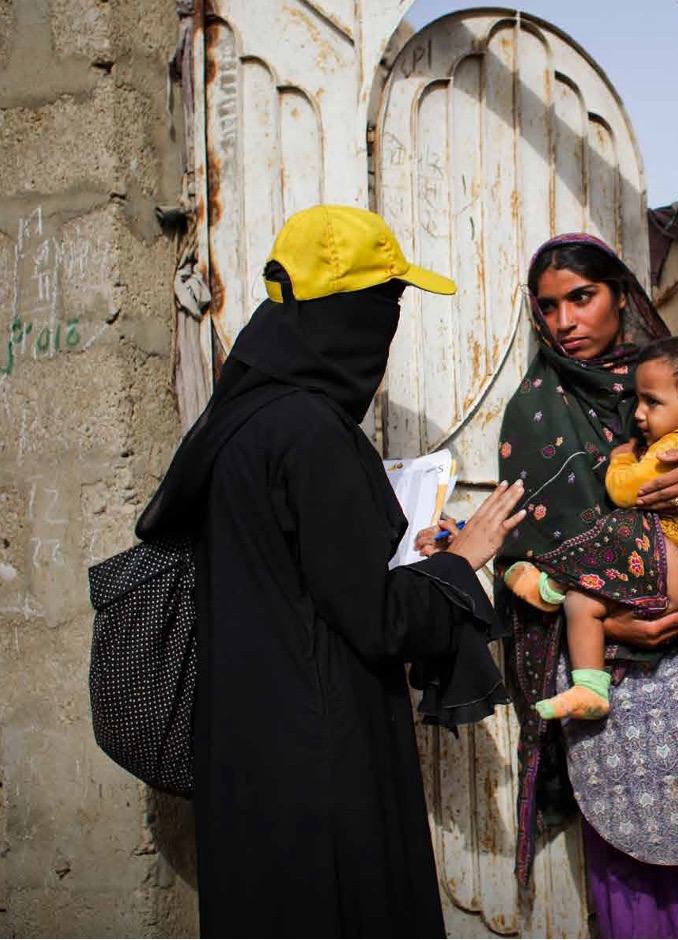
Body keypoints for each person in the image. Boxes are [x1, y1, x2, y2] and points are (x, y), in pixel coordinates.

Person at [138, 205, 526, 935]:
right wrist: (463, 559)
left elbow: (304, 583)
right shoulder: (311, 433)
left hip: (251, 755)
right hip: (322, 765)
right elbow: (379, 621)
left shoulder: (240, 424)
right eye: (389, 305)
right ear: (353, 317)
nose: (390, 326)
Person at [417, 233, 678, 937]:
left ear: (620, 296)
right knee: (628, 866)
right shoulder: (534, 410)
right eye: (549, 307)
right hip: (606, 676)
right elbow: (523, 559)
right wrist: (610, 620)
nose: (566, 320)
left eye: (582, 298)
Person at [504, 333, 678, 720]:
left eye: (652, 403)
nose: (638, 414)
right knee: (584, 602)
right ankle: (590, 687)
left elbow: (624, 491)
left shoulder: (677, 447)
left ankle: (554, 584)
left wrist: (620, 461)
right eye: (637, 400)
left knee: (623, 527)